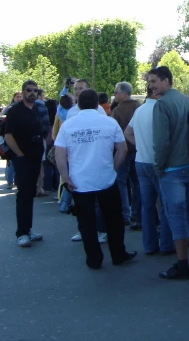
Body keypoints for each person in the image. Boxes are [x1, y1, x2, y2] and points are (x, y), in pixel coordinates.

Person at [54, 88, 136, 269]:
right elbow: (122, 149)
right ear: (97, 104)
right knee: (113, 219)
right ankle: (118, 254)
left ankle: (93, 258)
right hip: (106, 178)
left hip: (79, 182)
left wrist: (66, 178)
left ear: (78, 104)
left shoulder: (68, 125)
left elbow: (60, 154)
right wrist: (113, 169)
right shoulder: (109, 122)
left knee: (86, 223)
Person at [150, 65, 189, 280]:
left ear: (166, 81)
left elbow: (161, 142)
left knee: (177, 216)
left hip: (173, 169)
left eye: (154, 81)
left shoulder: (162, 105)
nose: (151, 85)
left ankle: (182, 264)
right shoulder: (187, 101)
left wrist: (159, 166)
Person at [125, 83, 175, 256]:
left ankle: (149, 244)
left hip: (141, 161)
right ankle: (167, 244)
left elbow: (127, 132)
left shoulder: (139, 110)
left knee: (147, 206)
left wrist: (141, 145)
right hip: (158, 162)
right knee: (166, 204)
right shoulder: (161, 109)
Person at [3, 80, 46, 248]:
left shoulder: (36, 109)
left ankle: (28, 229)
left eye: (35, 90)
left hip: (35, 157)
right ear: (23, 91)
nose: (32, 93)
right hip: (22, 159)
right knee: (23, 195)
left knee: (30, 194)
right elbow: (8, 136)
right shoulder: (15, 111)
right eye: (29, 90)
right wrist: (20, 155)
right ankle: (21, 233)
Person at [110, 81, 141, 227]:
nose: (114, 95)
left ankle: (124, 214)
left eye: (116, 92)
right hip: (138, 150)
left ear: (123, 94)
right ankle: (137, 214)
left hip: (122, 150)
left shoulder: (117, 111)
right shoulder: (139, 107)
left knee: (121, 183)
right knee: (137, 184)